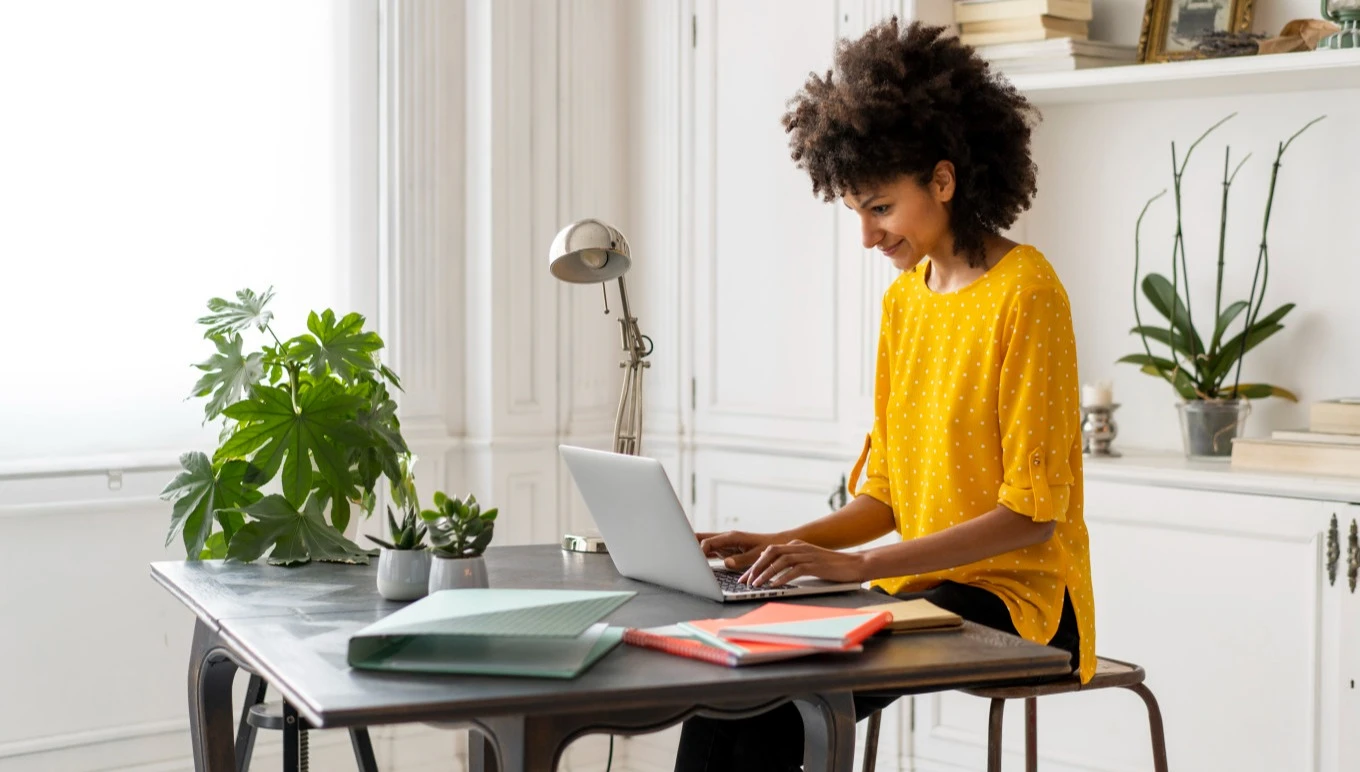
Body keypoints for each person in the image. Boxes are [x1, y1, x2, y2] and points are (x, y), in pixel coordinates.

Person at [673, 18, 1095, 772]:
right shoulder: (907, 300)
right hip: (914, 584)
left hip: (1016, 602)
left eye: (879, 207)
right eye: (856, 211)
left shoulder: (1028, 294)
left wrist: (861, 566)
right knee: (723, 688)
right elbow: (890, 493)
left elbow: (1033, 516)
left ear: (943, 179)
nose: (867, 236)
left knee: (785, 704)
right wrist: (783, 544)